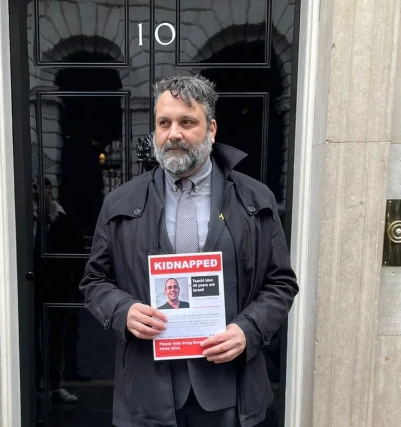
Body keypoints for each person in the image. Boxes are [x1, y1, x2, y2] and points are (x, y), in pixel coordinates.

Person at [79, 75, 298, 427]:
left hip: (228, 391)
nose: (174, 134)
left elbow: (281, 283)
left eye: (187, 122)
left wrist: (249, 330)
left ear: (211, 129)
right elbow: (94, 280)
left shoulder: (256, 199)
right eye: (164, 123)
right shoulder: (120, 201)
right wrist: (123, 310)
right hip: (148, 393)